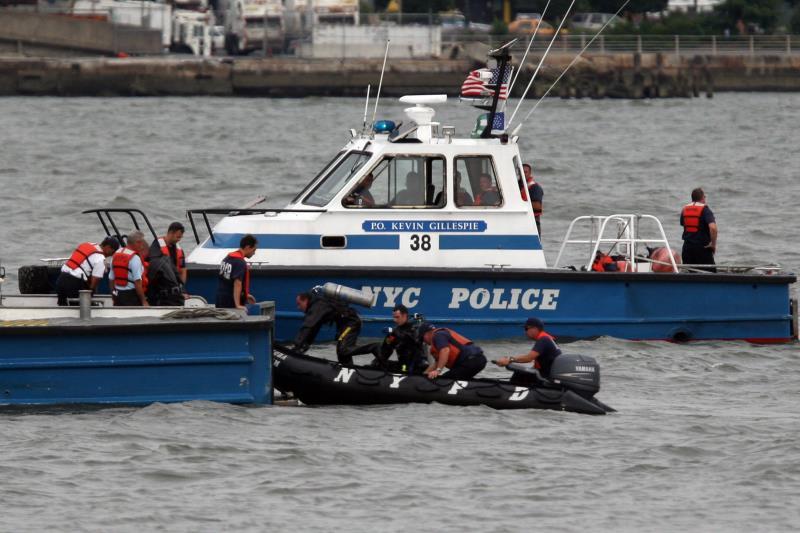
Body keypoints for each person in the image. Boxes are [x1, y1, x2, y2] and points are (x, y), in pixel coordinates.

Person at [293, 290, 376, 365]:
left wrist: (297, 345)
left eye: (299, 304)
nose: (298, 308)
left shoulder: (318, 306)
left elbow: (307, 326)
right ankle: (349, 369)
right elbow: (314, 329)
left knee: (343, 350)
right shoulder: (317, 305)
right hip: (345, 325)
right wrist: (304, 346)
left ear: (306, 300)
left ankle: (373, 347)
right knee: (342, 354)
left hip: (351, 323)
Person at [55, 237, 119, 306]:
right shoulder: (101, 259)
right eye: (113, 252)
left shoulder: (87, 244)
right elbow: (96, 279)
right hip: (73, 283)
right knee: (82, 309)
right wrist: (90, 294)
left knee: (63, 307)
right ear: (108, 247)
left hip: (61, 280)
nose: (111, 255)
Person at [495, 318, 562, 385]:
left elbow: (528, 358)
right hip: (545, 373)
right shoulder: (546, 338)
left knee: (519, 374)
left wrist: (509, 359)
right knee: (522, 372)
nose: (525, 332)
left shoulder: (544, 339)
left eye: (526, 329)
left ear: (535, 328)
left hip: (547, 377)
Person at [418, 323, 487, 380]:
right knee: (457, 377)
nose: (424, 342)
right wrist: (423, 376)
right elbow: (436, 363)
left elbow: (445, 350)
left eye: (422, 338)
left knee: (444, 380)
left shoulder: (438, 335)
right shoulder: (439, 337)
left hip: (470, 361)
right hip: (479, 360)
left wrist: (438, 371)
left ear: (426, 334)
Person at [372, 304, 427, 375]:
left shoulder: (415, 327)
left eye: (397, 317)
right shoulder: (395, 332)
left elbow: (413, 339)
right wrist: (378, 361)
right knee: (377, 363)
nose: (395, 320)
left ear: (405, 315)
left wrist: (395, 333)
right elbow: (386, 351)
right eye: (394, 317)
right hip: (403, 365)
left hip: (417, 365)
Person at [147, 222, 188, 306]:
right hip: (159, 289)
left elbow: (183, 270)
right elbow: (154, 267)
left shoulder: (179, 249)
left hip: (174, 290)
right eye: (178, 237)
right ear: (171, 233)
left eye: (180, 237)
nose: (179, 239)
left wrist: (181, 288)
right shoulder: (157, 245)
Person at [680, 187, 717, 273]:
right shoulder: (705, 210)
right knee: (711, 276)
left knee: (690, 276)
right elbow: (713, 228)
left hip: (687, 249)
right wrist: (713, 244)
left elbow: (683, 224)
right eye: (705, 197)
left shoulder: (684, 209)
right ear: (702, 198)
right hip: (702, 249)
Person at [216, 234, 258, 309]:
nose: (254, 253)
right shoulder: (240, 262)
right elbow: (237, 283)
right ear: (248, 247)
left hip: (220, 299)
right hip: (230, 303)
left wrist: (246, 295)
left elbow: (227, 281)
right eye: (254, 250)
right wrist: (237, 305)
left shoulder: (228, 258)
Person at [109, 231, 149, 307]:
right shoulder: (135, 258)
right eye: (142, 243)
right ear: (137, 242)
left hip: (118, 295)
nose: (143, 246)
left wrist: (113, 296)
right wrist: (144, 301)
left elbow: (111, 279)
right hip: (131, 296)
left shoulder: (116, 254)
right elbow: (138, 283)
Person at [523, 163, 543, 235]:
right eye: (522, 171)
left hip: (533, 221)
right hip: (522, 219)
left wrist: (519, 203)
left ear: (530, 173)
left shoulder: (535, 187)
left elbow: (537, 206)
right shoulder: (519, 185)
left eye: (525, 172)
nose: (523, 174)